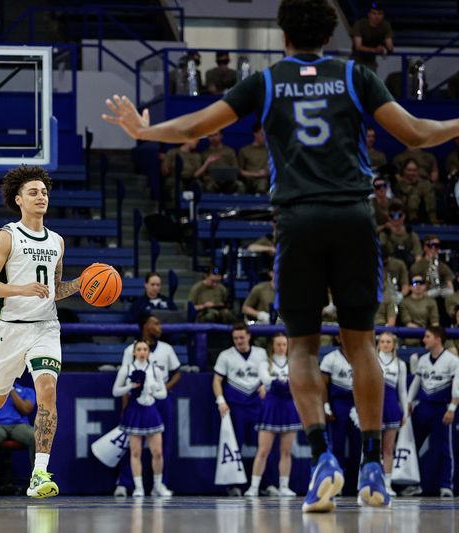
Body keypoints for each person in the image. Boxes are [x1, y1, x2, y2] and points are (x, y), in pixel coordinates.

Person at [103, 0, 459, 511]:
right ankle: (373, 469)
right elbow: (418, 135)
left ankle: (323, 462)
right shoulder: (355, 76)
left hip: (299, 219)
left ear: (284, 37)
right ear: (332, 35)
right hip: (354, 218)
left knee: (301, 348)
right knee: (362, 346)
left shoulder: (267, 83)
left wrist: (143, 131)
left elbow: (193, 128)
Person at [0, 166, 81, 499]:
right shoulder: (7, 236)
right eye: (33, 192)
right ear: (18, 200)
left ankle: (39, 474)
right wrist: (21, 289)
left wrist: (82, 284)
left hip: (45, 328)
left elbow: (53, 289)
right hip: (9, 329)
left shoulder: (57, 241)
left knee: (47, 393)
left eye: (44, 192)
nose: (41, 196)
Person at [113, 314, 181, 496]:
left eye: (145, 350)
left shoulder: (165, 351)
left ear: (149, 353)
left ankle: (159, 485)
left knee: (159, 448)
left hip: (156, 404)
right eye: (155, 323)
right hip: (135, 404)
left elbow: (176, 373)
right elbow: (120, 386)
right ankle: (130, 484)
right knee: (133, 449)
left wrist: (158, 390)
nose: (159, 326)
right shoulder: (129, 355)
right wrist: (128, 396)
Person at [212, 323, 267, 496]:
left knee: (264, 446)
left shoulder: (261, 353)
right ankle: (234, 485)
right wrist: (221, 401)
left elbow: (268, 374)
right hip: (236, 405)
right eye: (235, 338)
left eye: (242, 337)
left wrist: (266, 385)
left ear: (249, 336)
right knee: (235, 445)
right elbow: (216, 381)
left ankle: (266, 483)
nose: (239, 341)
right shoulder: (225, 355)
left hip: (257, 404)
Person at [405, 326, 459, 497]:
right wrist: (408, 401)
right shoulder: (423, 360)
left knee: (444, 448)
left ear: (437, 339)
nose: (423, 340)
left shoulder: (452, 361)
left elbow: (457, 387)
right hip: (423, 407)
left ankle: (446, 485)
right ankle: (413, 484)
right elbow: (416, 382)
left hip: (441, 408)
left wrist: (451, 408)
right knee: (412, 447)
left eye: (427, 337)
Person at [245, 333, 300, 497]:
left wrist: (281, 384)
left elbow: (297, 382)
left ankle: (284, 486)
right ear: (272, 346)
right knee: (263, 450)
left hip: (289, 407)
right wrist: (284, 383)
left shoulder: (294, 363)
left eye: (284, 344)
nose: (282, 348)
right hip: (271, 407)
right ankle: (254, 487)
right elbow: (266, 380)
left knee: (286, 451)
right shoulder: (265, 363)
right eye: (278, 344)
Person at [0, 374, 36, 497]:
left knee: (35, 436)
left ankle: (37, 480)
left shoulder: (26, 391)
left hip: (19, 426)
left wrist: (11, 390)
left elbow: (26, 409)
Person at [319, 341, 362, 495]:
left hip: (357, 403)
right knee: (337, 446)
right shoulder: (331, 358)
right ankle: (336, 484)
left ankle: (353, 485)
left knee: (358, 448)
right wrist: (326, 405)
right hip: (338, 404)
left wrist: (362, 406)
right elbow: (323, 384)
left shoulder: (361, 357)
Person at [376, 332, 407, 497]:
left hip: (391, 408)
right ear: (378, 344)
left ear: (394, 344)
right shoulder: (372, 361)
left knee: (388, 449)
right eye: (383, 341)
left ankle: (387, 484)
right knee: (373, 448)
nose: (386, 344)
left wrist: (405, 412)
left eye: (389, 342)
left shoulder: (400, 364)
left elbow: (402, 390)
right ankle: (374, 481)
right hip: (375, 409)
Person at [350, 2, 393, 72]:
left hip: (371, 62)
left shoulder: (385, 25)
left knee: (370, 81)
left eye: (379, 14)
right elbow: (358, 47)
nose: (377, 16)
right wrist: (375, 50)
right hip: (356, 60)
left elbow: (390, 47)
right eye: (374, 13)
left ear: (383, 15)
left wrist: (383, 49)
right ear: (369, 14)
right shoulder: (360, 24)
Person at [394, 158, 438, 224]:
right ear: (404, 171)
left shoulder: (425, 184)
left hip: (422, 217)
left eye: (414, 170)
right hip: (403, 219)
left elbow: (430, 200)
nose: (412, 173)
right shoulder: (399, 185)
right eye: (409, 170)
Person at [379, 200, 422, 266]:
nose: (396, 219)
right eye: (392, 216)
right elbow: (381, 255)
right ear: (388, 217)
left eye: (399, 215)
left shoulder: (411, 234)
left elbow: (418, 256)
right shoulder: (384, 234)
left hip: (409, 267)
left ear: (404, 216)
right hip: (390, 268)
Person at [238, 122, 270, 194]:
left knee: (263, 182)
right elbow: (240, 171)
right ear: (255, 134)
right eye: (262, 134)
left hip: (265, 180)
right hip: (249, 181)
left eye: (265, 134)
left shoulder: (270, 151)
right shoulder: (245, 150)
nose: (264, 136)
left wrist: (267, 172)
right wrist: (256, 174)